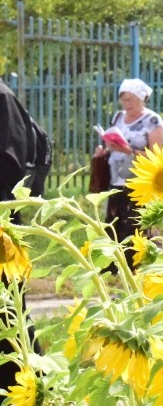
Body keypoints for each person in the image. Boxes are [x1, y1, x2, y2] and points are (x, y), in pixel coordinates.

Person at [93, 78, 163, 265]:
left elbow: (156, 157)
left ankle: (140, 273)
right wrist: (105, 149)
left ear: (142, 99)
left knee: (137, 232)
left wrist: (129, 151)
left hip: (139, 185)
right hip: (115, 182)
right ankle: (121, 277)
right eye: (124, 99)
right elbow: (112, 147)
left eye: (131, 99)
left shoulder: (153, 120)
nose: (127, 104)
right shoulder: (118, 117)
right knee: (116, 231)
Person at [0, 80, 41, 392]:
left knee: (9, 312)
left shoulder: (3, 98)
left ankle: (26, 388)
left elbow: (11, 168)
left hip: (3, 230)